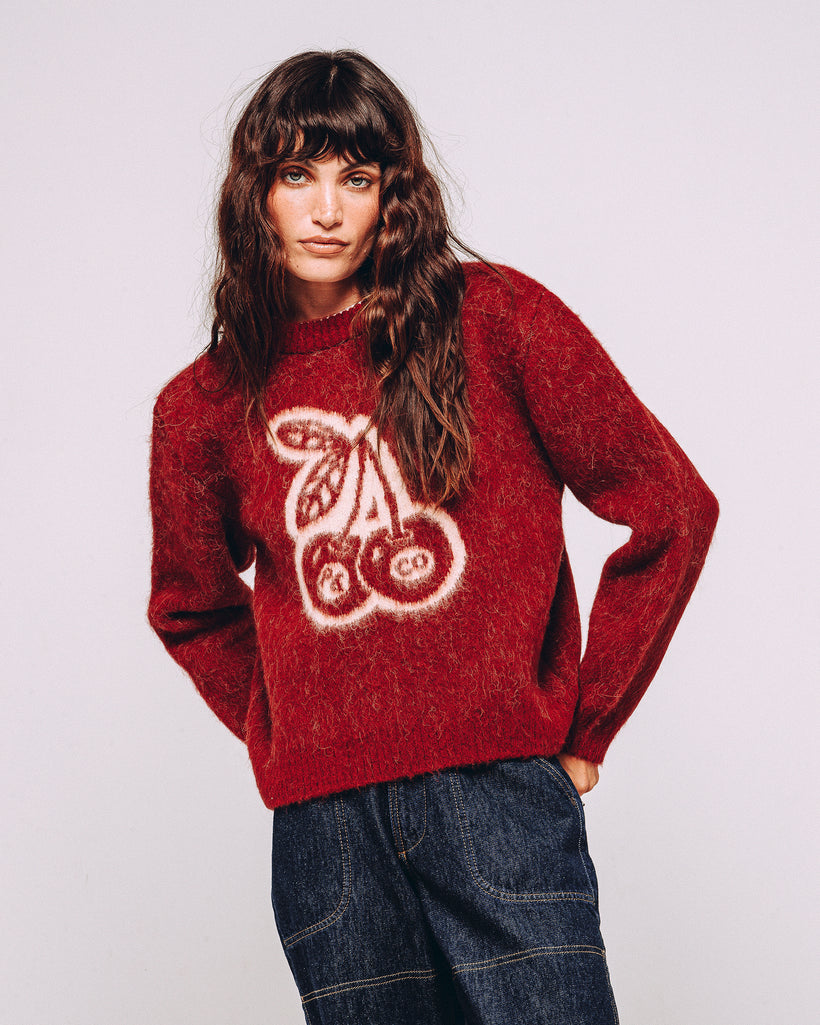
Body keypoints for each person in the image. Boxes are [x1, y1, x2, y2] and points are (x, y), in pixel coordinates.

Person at [148, 49, 718, 1025]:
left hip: (496, 796)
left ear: (392, 195)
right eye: (297, 175)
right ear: (256, 195)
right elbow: (189, 603)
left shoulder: (499, 322)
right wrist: (297, 726)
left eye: (356, 178)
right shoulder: (204, 405)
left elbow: (671, 506)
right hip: (328, 835)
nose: (327, 209)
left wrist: (587, 726)